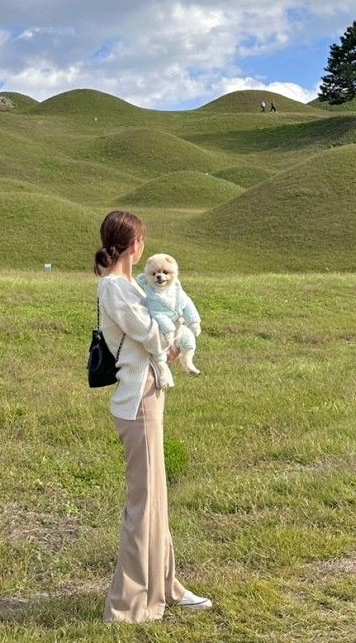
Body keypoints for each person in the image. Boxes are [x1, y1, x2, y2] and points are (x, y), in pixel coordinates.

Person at [94, 210, 213, 623]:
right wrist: (173, 325)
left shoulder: (131, 284)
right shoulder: (116, 288)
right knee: (143, 504)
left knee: (156, 499)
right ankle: (128, 605)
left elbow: (159, 340)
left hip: (151, 393)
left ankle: (167, 586)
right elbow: (153, 333)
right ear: (134, 245)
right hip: (136, 400)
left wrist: (172, 337)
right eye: (141, 238)